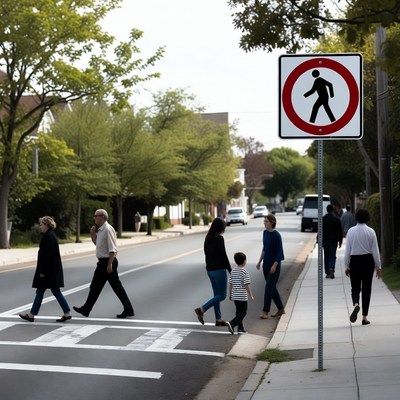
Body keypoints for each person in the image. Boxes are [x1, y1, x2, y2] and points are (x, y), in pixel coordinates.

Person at [73, 209, 134, 318]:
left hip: (108, 262)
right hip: (102, 262)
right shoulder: (100, 230)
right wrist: (92, 233)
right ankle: (86, 309)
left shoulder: (107, 229)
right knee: (95, 286)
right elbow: (97, 243)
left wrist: (109, 264)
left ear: (103, 217)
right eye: (94, 215)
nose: (94, 217)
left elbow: (112, 249)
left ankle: (128, 309)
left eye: (96, 216)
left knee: (115, 287)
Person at [19, 216, 71, 323]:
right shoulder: (51, 235)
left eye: (41, 224)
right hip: (51, 271)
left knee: (43, 291)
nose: (40, 227)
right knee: (50, 291)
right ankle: (66, 312)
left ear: (47, 225)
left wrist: (42, 271)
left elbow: (46, 256)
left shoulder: (48, 236)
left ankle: (32, 314)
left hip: (48, 272)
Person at [344, 208, 382, 325]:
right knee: (367, 289)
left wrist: (346, 265)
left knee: (355, 287)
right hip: (367, 261)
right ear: (367, 218)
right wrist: (378, 266)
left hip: (355, 261)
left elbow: (347, 251)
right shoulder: (371, 231)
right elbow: (375, 250)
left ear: (356, 218)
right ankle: (364, 317)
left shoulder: (351, 231)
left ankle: (356, 304)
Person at [194, 217, 231, 326]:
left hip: (210, 270)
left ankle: (218, 319)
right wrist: (230, 270)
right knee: (222, 295)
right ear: (220, 228)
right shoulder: (219, 238)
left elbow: (207, 255)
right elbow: (224, 256)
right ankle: (202, 309)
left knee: (216, 295)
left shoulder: (208, 238)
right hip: (219, 270)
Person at [256, 214, 285, 319]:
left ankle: (265, 311)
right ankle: (281, 309)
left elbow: (279, 252)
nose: (264, 223)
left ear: (272, 222)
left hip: (274, 266)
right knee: (272, 288)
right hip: (266, 265)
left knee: (268, 288)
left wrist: (275, 265)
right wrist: (259, 261)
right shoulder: (265, 233)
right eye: (264, 221)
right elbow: (264, 248)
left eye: (266, 221)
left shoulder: (277, 235)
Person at [226, 252, 254, 335]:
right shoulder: (244, 272)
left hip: (235, 295)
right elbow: (246, 285)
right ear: (244, 261)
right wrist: (251, 295)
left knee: (238, 312)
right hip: (242, 296)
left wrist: (230, 294)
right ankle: (232, 323)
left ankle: (240, 329)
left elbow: (230, 284)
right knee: (243, 312)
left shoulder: (233, 271)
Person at [322, 204, 343, 279]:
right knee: (332, 256)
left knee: (326, 256)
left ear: (327, 210)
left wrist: (318, 239)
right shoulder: (336, 219)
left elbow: (320, 230)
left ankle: (327, 272)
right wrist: (340, 241)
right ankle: (331, 267)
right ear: (333, 210)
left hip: (325, 240)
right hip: (334, 240)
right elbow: (340, 231)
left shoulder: (323, 219)